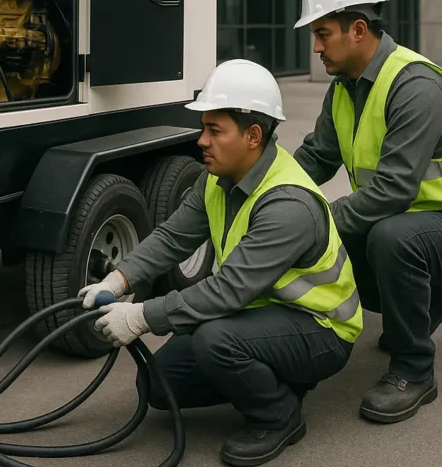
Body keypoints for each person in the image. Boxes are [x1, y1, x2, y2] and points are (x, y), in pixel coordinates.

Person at [79, 59, 362, 467]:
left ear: (252, 135)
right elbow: (173, 237)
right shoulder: (216, 179)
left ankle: (278, 414)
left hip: (319, 329)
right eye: (203, 128)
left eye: (214, 130)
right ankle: (269, 374)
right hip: (254, 316)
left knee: (216, 342)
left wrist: (142, 315)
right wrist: (120, 280)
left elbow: (229, 289)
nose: (201, 141)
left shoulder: (287, 202)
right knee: (157, 387)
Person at [291, 0, 442, 425]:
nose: (316, 47)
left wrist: (312, 224)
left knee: (386, 239)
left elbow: (393, 191)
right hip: (397, 225)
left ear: (358, 29)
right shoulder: (344, 88)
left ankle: (414, 371)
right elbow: (316, 159)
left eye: (323, 34)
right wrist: (266, 194)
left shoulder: (416, 85)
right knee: (345, 247)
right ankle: (433, 301)